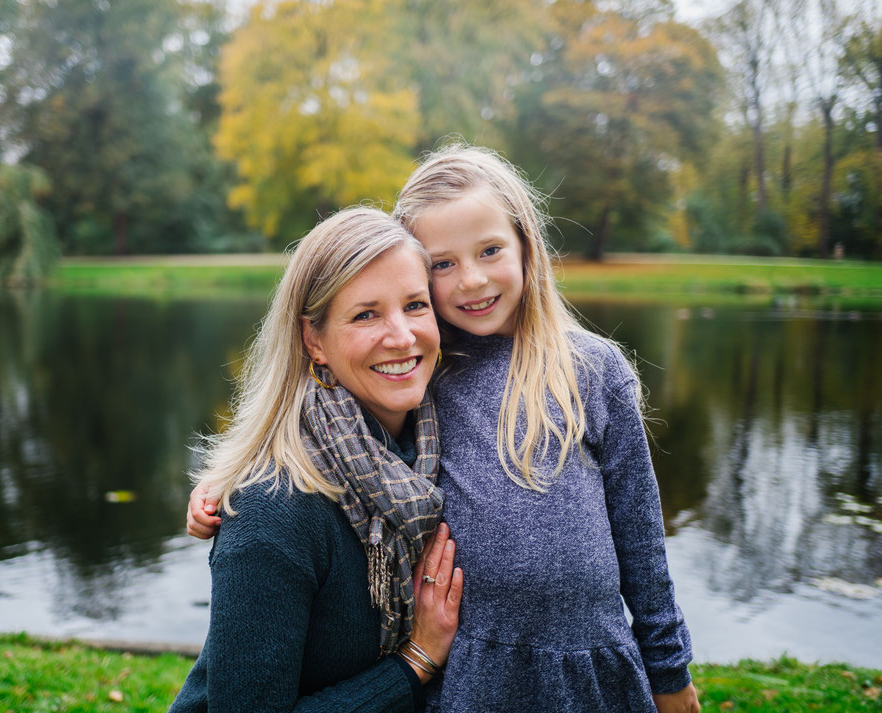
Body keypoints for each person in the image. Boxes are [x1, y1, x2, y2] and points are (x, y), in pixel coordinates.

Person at [189, 145, 699, 713]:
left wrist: (670, 676)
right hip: (469, 684)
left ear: (528, 245)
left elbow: (643, 547)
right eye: (442, 264)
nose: (472, 280)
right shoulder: (422, 380)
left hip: (593, 674)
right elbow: (301, 431)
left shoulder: (571, 372)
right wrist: (226, 488)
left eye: (489, 250)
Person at [170, 207, 464, 713]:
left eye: (415, 305)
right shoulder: (273, 509)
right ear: (314, 340)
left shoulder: (438, 450)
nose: (401, 336)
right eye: (366, 314)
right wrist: (415, 660)